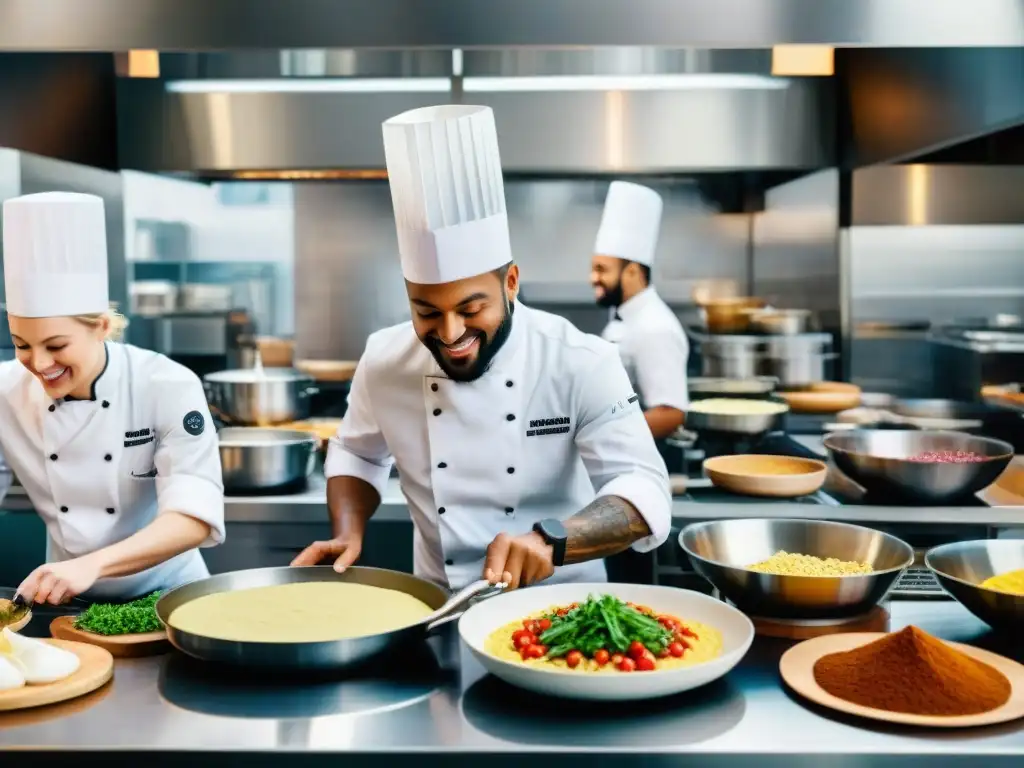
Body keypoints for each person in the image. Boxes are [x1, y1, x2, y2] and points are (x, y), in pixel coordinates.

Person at [292, 105, 671, 591]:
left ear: (511, 282)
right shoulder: (384, 359)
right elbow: (357, 454)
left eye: (471, 309)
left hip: (565, 609)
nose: (449, 333)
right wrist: (348, 530)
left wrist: (552, 541)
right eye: (426, 311)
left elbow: (644, 490)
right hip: (438, 603)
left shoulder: (579, 360)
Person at [0, 192, 225, 605]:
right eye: (21, 344)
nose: (39, 362)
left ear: (102, 326)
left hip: (171, 595)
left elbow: (194, 517)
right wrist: (75, 573)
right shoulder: (4, 394)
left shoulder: (166, 384)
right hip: (66, 602)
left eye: (56, 344)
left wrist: (91, 565)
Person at [590, 181, 690, 440]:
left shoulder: (655, 328)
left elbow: (670, 413)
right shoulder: (623, 315)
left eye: (602, 269)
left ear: (632, 271)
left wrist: (604, 439)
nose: (593, 278)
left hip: (636, 461)